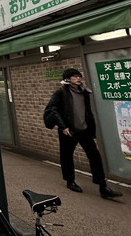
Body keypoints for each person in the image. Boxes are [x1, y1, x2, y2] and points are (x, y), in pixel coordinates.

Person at [44, 68, 122, 199]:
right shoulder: (61, 92)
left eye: (79, 76)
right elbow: (52, 109)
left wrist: (91, 129)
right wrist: (63, 126)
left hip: (84, 130)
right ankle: (70, 181)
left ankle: (103, 187)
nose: (78, 78)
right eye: (74, 76)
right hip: (69, 130)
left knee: (95, 156)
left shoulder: (84, 92)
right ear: (68, 79)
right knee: (67, 156)